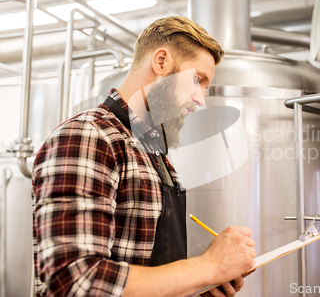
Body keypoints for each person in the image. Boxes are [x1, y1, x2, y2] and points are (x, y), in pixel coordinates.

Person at [32, 16, 256, 297]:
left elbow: (142, 267)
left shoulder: (155, 155)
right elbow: (76, 282)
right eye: (197, 80)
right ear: (161, 62)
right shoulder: (90, 136)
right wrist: (209, 267)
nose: (201, 99)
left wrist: (198, 287)